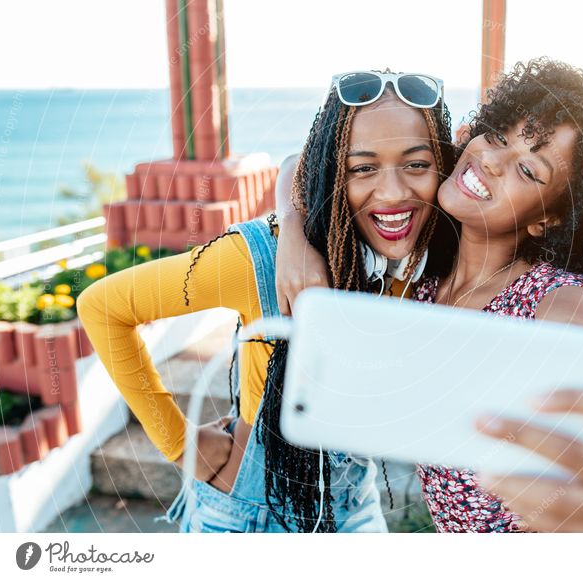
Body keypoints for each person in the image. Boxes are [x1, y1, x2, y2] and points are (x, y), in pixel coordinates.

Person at [275, 58, 583, 532]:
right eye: (498, 136)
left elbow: (573, 358)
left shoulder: (556, 296)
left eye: (527, 170)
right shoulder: (418, 274)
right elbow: (305, 161)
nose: (492, 160)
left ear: (548, 219)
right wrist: (291, 233)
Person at [77, 70, 456, 532]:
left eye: (416, 164)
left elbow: (295, 163)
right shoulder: (259, 257)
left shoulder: (429, 260)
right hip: (250, 511)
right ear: (334, 173)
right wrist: (179, 444)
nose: (394, 192)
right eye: (362, 168)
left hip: (355, 502)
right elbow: (102, 306)